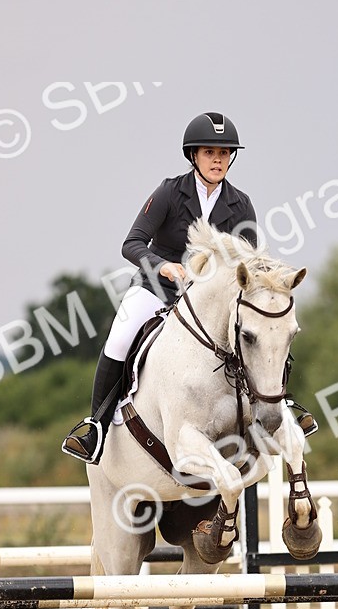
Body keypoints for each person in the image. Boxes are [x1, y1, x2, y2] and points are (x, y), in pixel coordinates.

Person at [62, 111, 316, 464]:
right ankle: (96, 427)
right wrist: (162, 266)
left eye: (224, 153)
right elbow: (132, 243)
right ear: (193, 155)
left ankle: (280, 403)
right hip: (157, 288)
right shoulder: (170, 192)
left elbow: (254, 264)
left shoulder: (240, 203)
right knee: (120, 338)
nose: (218, 160)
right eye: (210, 152)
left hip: (211, 302)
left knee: (263, 331)